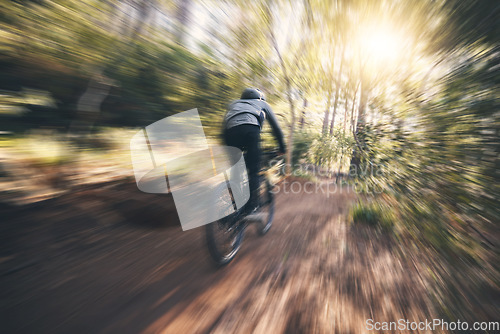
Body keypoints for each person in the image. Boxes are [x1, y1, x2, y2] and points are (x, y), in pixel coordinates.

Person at [223, 88, 286, 214]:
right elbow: (276, 128)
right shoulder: (262, 103)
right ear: (259, 97)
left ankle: (234, 202)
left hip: (229, 133)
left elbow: (224, 125)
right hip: (251, 131)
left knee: (235, 167)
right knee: (254, 170)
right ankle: (251, 207)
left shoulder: (234, 103)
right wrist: (282, 148)